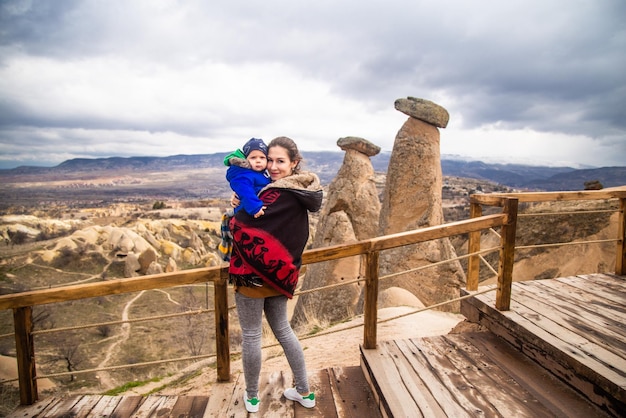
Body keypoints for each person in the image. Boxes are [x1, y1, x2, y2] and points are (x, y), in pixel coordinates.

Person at [228, 136, 323, 413]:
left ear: (294, 163)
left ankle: (252, 397)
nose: (272, 166)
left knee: (251, 335)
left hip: (252, 275)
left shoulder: (276, 194)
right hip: (282, 274)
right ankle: (303, 391)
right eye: (269, 160)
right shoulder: (298, 193)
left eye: (280, 161)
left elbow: (239, 226)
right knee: (283, 329)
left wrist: (236, 207)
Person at [224, 137, 271, 218]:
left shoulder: (261, 174)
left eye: (262, 157)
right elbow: (245, 190)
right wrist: (255, 207)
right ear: (246, 160)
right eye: (253, 158)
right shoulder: (245, 175)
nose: (258, 161)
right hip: (248, 213)